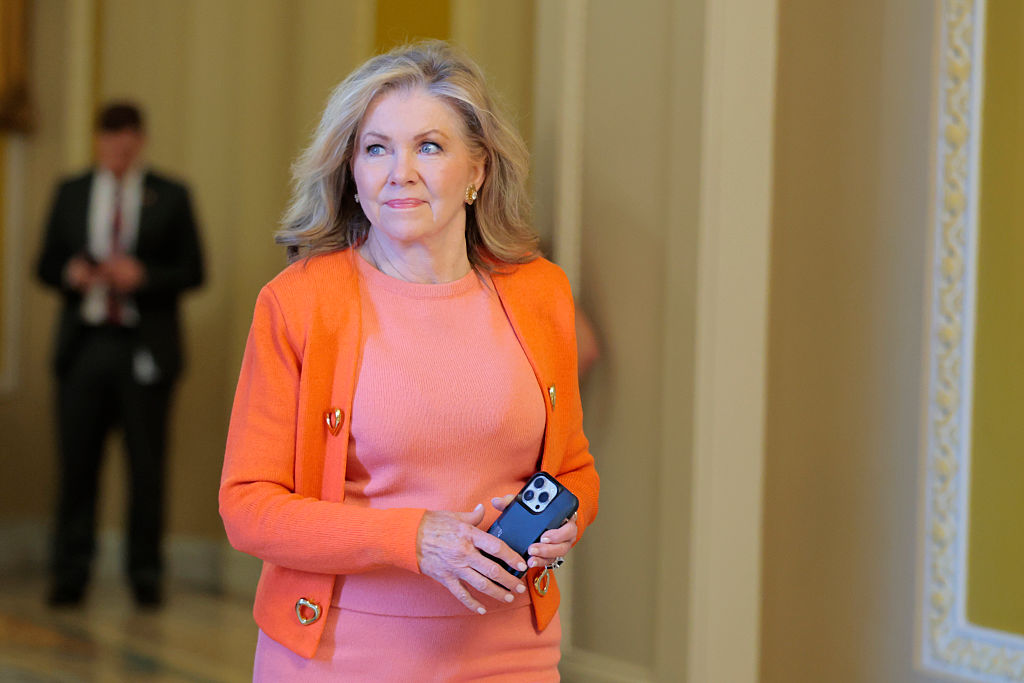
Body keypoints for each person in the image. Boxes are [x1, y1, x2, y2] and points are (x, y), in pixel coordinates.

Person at [219, 41, 599, 680]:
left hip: (514, 655)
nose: (400, 172)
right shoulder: (298, 303)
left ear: (478, 169)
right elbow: (247, 507)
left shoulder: (542, 293)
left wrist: (569, 521)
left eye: (429, 146)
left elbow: (576, 471)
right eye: (376, 149)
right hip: (342, 655)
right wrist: (413, 538)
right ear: (352, 172)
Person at [36, 102, 205, 607]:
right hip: (84, 345)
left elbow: (195, 270)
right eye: (110, 138)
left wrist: (144, 276)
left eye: (128, 137)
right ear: (98, 141)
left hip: (143, 346)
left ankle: (145, 573)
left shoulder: (171, 195)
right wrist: (70, 273)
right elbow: (45, 263)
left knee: (146, 467)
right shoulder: (71, 192)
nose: (119, 147)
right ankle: (70, 571)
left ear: (140, 140)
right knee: (76, 465)